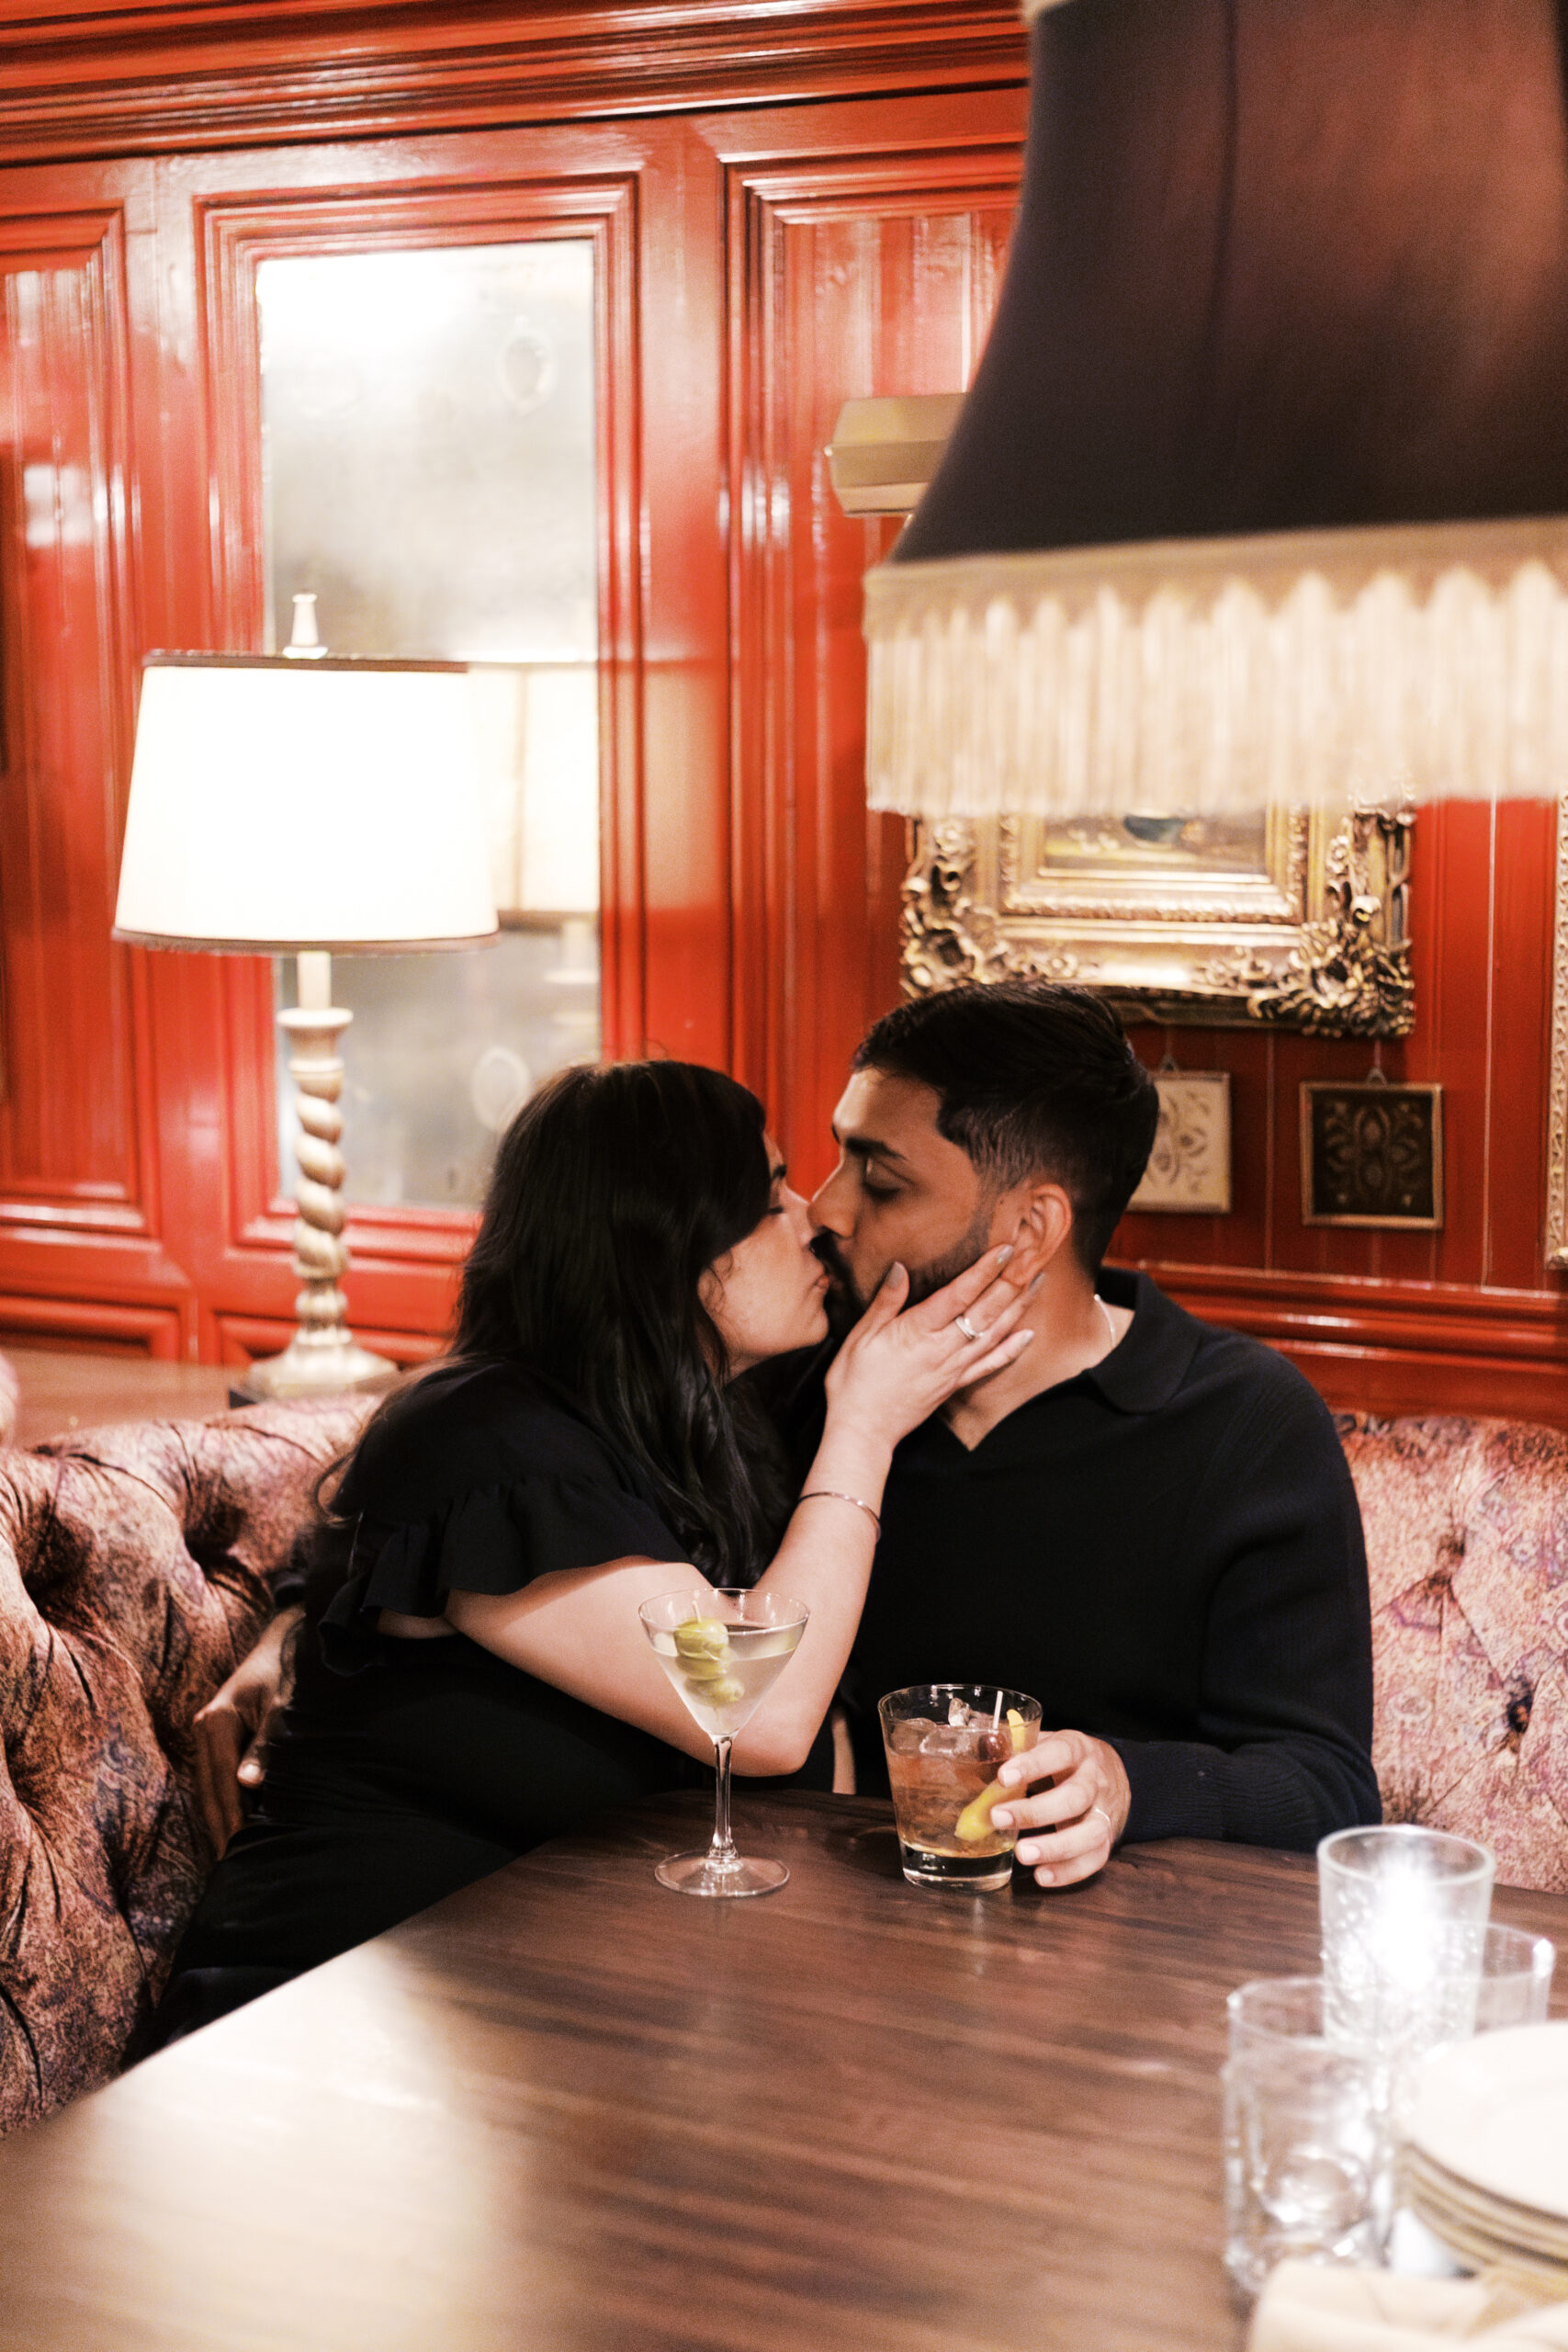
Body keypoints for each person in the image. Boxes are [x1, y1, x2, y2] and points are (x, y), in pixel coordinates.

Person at [156, 1057, 1032, 2035]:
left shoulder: (698, 1423)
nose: (812, 1217)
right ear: (661, 1246)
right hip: (322, 2023)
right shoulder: (483, 1432)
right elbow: (755, 1706)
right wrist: (863, 1428)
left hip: (544, 2017)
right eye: (767, 1194)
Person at [793, 979, 1380, 1890]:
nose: (824, 1208)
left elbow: (1328, 1791)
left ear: (1031, 1230)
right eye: (837, 1159)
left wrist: (1126, 1783)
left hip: (1125, 1983)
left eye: (880, 1178)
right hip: (830, 1937)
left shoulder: (1247, 1425)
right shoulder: (809, 1385)